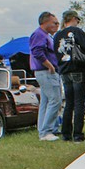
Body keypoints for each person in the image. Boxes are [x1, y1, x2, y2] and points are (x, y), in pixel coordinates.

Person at [54, 10, 85, 142]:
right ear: (73, 18)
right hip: (77, 68)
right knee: (79, 103)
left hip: (64, 70)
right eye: (77, 19)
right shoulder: (76, 32)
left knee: (69, 103)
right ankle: (78, 135)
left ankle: (66, 134)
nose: (78, 22)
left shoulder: (57, 35)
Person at [30, 11, 62, 142]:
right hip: (46, 71)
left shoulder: (45, 35)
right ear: (45, 22)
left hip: (44, 72)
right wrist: (50, 65)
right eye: (54, 23)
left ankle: (42, 130)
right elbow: (37, 51)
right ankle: (47, 131)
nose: (56, 25)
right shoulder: (39, 34)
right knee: (55, 100)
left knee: (45, 101)